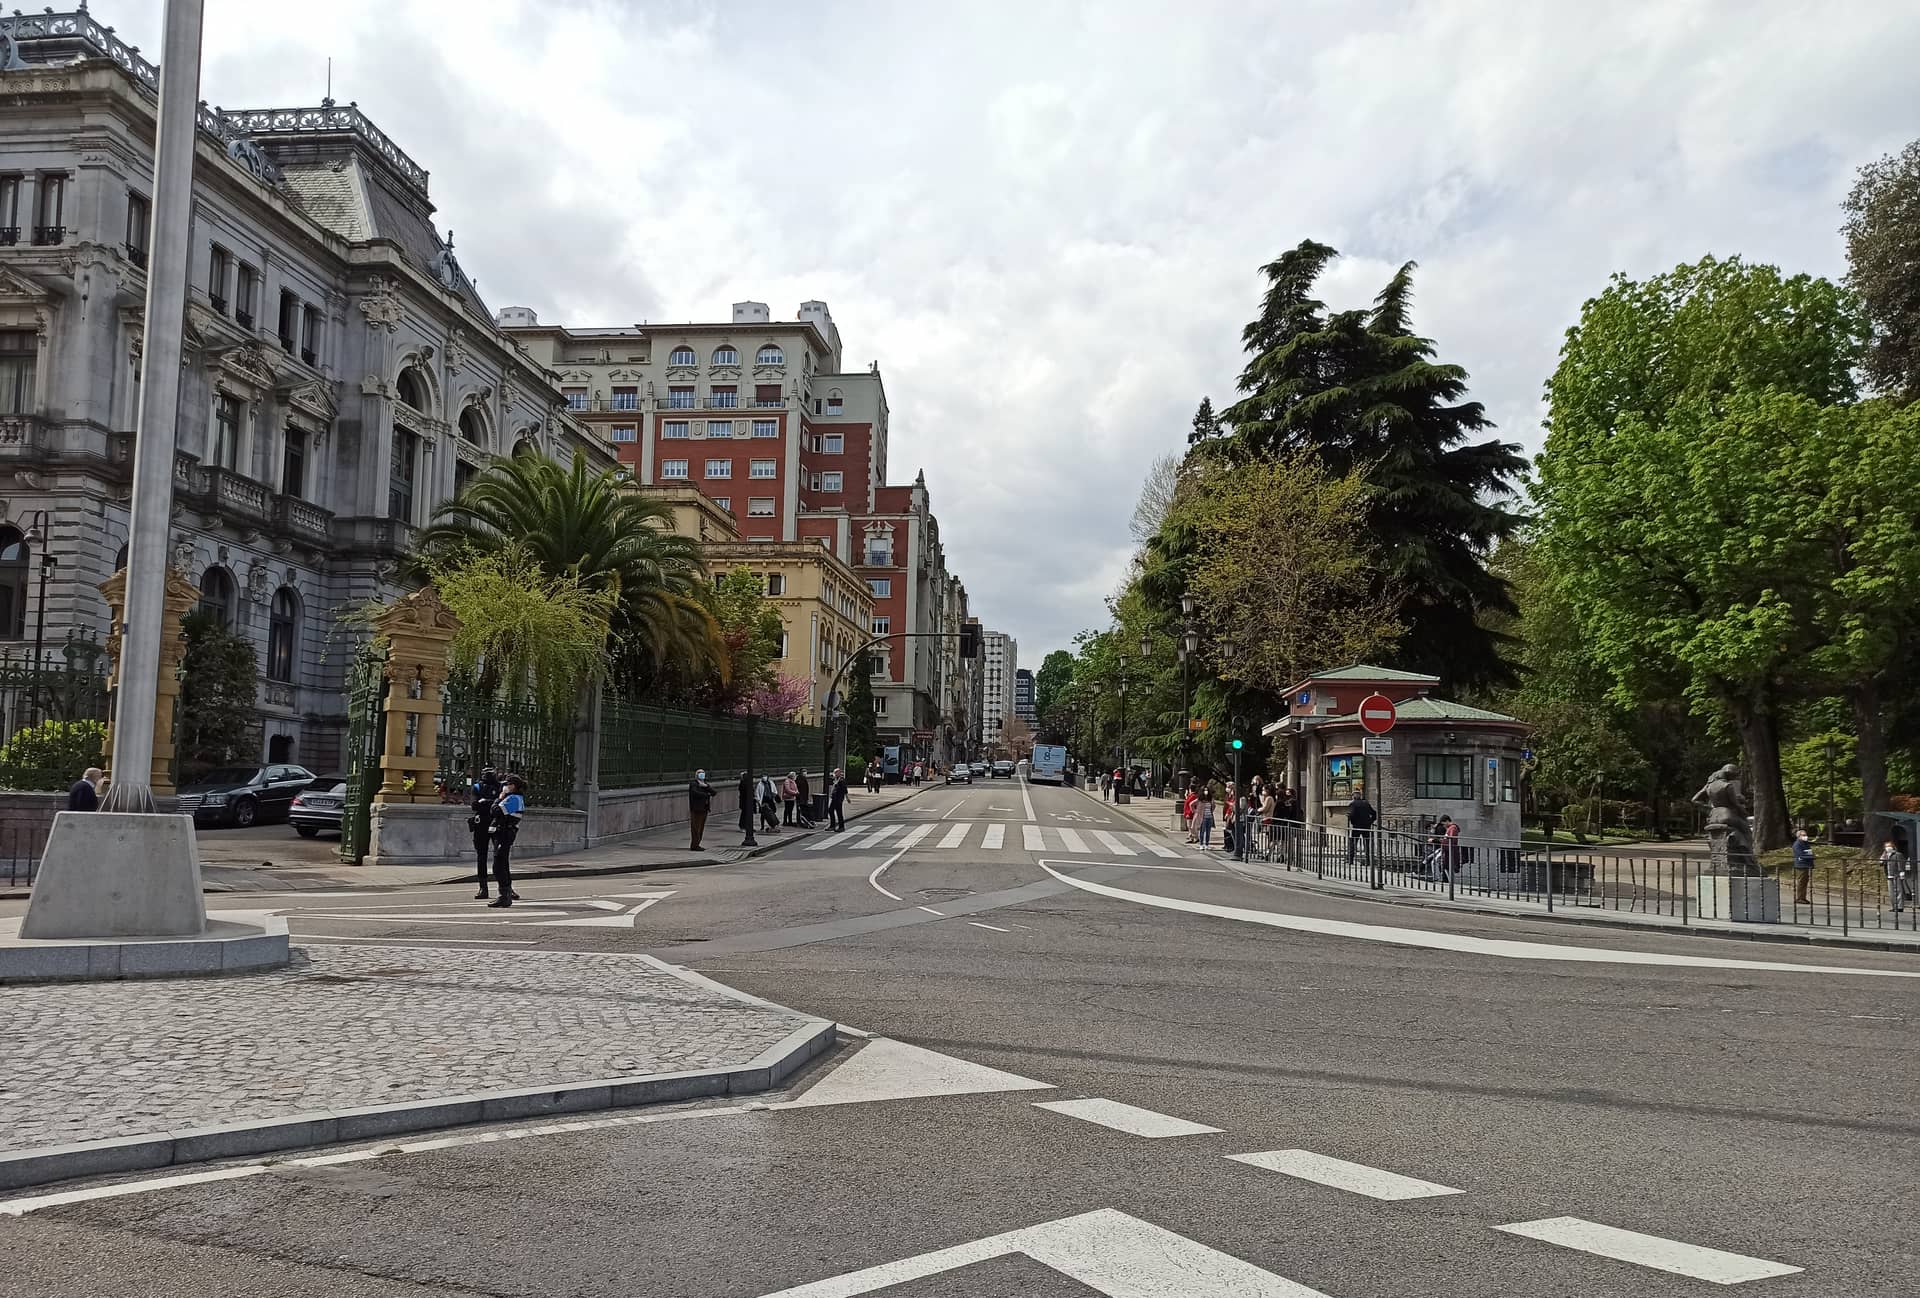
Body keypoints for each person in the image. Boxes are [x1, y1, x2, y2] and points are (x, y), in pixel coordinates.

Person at [484, 774, 525, 908]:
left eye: (508, 784)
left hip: (505, 833)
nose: (505, 786)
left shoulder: (514, 798)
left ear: (514, 786)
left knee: (499, 865)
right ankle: (505, 895)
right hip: (502, 833)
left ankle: (504, 896)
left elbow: (495, 811)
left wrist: (499, 798)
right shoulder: (512, 797)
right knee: (502, 864)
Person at [468, 766, 502, 899]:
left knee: (500, 855)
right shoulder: (477, 787)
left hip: (496, 821)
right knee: (481, 855)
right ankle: (483, 887)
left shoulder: (500, 787)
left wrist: (486, 802)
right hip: (482, 822)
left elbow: (501, 803)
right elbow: (474, 805)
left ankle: (505, 887)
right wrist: (492, 803)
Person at [1346, 789, 1377, 865]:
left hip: (1357, 826)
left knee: (1353, 843)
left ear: (1353, 796)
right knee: (1366, 844)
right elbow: (1374, 813)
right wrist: (1370, 821)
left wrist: (1350, 819)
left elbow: (1352, 815)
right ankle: (1367, 861)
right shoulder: (1366, 803)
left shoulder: (1353, 804)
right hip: (1366, 826)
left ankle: (1351, 860)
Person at [1881, 835, 1911, 913]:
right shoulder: (1885, 855)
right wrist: (1883, 857)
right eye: (1886, 847)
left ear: (1893, 847)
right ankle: (1894, 906)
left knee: (1898, 891)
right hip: (1889, 875)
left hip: (1896, 875)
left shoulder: (1897, 854)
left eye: (1889, 846)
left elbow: (1901, 864)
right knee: (1891, 892)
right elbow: (1881, 863)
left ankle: (1900, 907)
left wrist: (1902, 872)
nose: (1888, 848)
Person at [688, 767, 715, 851]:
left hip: (704, 809)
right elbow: (695, 793)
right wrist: (706, 795)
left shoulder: (705, 784)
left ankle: (697, 843)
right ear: (696, 775)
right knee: (696, 827)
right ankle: (694, 845)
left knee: (701, 827)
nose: (702, 774)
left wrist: (706, 786)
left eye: (703, 772)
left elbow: (714, 792)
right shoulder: (694, 784)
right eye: (700, 773)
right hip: (696, 809)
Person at [1791, 827, 1815, 905]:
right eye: (1803, 835)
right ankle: (1800, 898)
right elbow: (1801, 855)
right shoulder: (1797, 844)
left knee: (1804, 882)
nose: (1805, 836)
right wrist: (1810, 856)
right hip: (1801, 865)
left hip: (1806, 864)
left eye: (1806, 835)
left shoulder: (1805, 843)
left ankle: (1803, 897)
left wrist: (1810, 857)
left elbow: (1809, 852)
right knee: (1801, 881)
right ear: (1799, 836)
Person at [738, 769, 758, 847]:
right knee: (744, 814)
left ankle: (749, 827)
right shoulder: (743, 783)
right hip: (745, 801)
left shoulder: (749, 783)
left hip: (750, 801)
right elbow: (744, 792)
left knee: (749, 814)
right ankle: (743, 826)